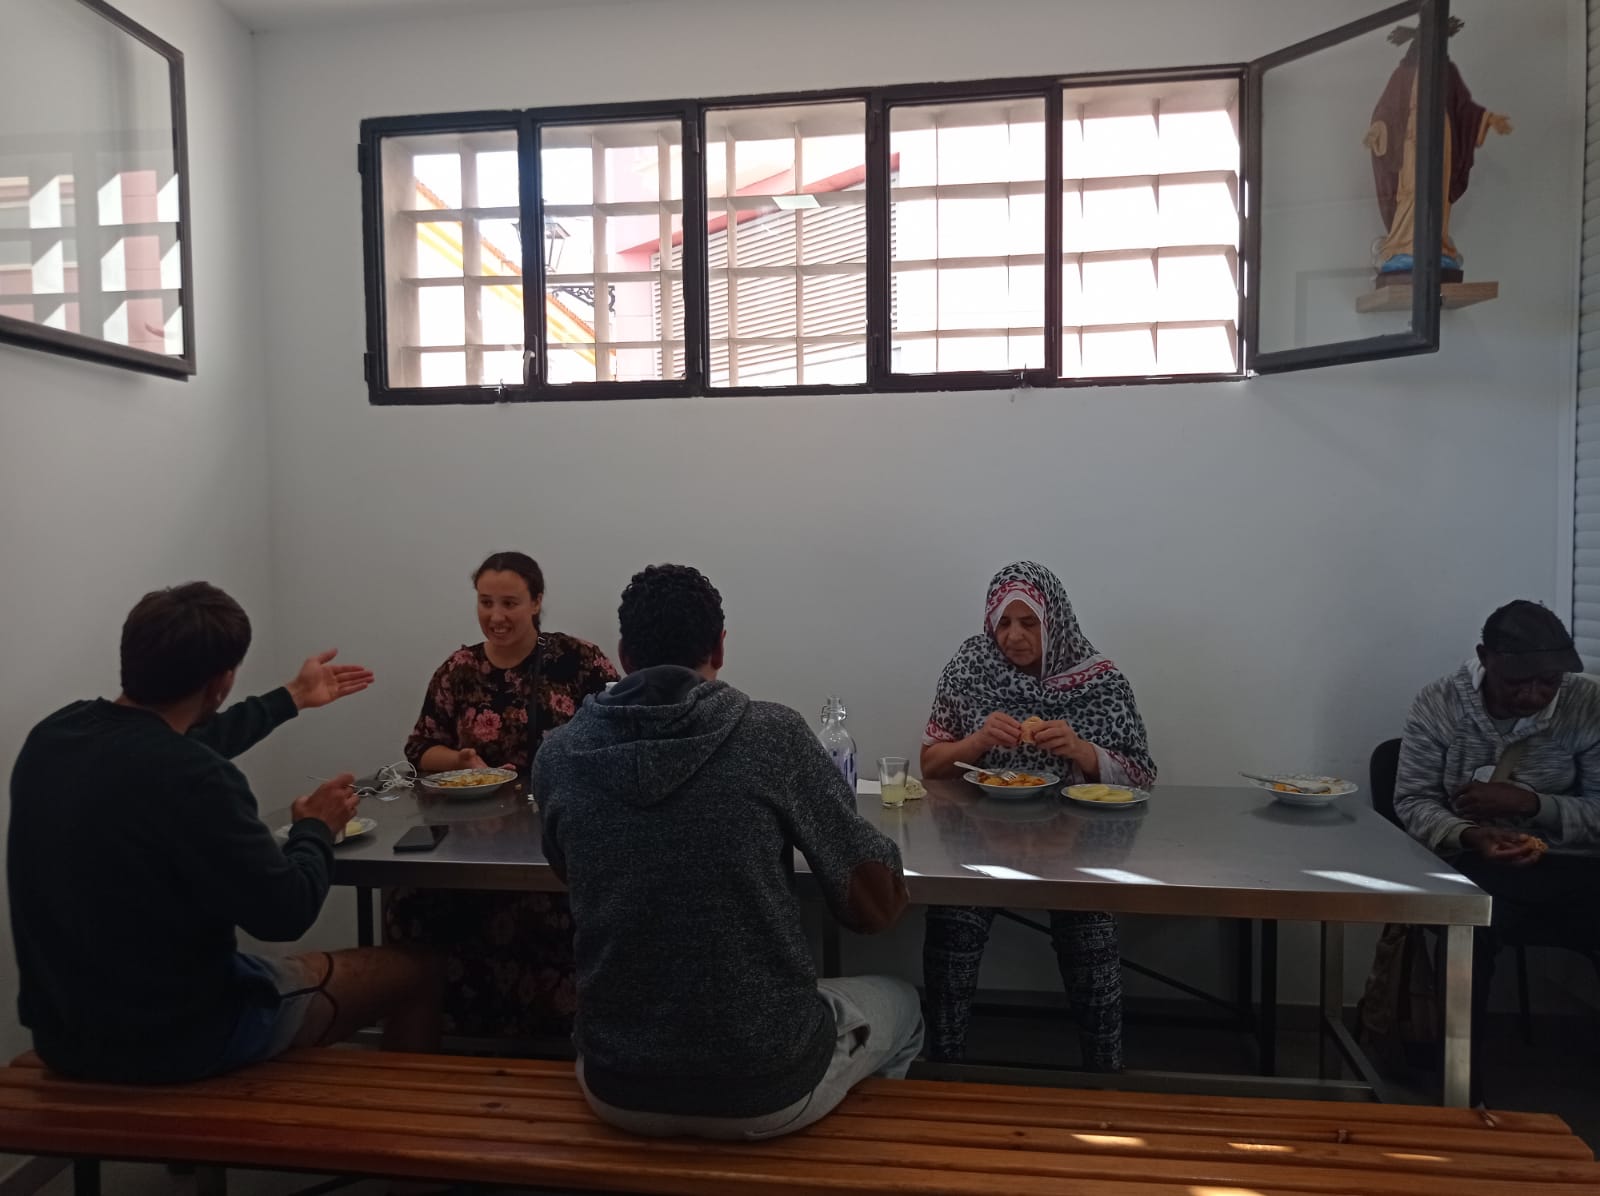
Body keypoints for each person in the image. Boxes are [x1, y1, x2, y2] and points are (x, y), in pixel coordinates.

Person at [533, 564, 923, 1140]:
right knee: (904, 1003)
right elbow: (873, 907)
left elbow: (571, 873)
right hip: (763, 1085)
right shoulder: (772, 735)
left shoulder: (560, 756)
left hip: (614, 1083)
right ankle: (856, 1162)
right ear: (720, 645)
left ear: (622, 652)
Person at [8, 582, 440, 1083]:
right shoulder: (198, 778)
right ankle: (399, 1153)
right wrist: (315, 829)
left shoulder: (54, 737)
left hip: (65, 1038)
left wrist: (292, 697)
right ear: (221, 683)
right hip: (180, 1040)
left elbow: (181, 741)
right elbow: (286, 911)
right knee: (418, 970)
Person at [920, 561, 1156, 1070]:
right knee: (952, 919)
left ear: (1055, 622)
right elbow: (932, 765)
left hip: (1076, 841)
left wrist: (1083, 751)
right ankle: (945, 1067)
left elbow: (1140, 774)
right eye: (1004, 623)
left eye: (1029, 623)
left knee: (1089, 928)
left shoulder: (1099, 679)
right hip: (981, 836)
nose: (1014, 637)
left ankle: (1104, 1071)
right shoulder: (970, 667)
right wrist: (979, 739)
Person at [389, 551, 617, 1040]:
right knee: (410, 902)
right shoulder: (459, 668)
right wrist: (459, 761)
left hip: (559, 827)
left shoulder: (578, 661)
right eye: (485, 602)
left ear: (536, 602)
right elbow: (419, 748)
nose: (496, 616)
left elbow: (622, 734)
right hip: (473, 830)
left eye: (510, 602)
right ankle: (446, 1044)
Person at [1393, 599, 1600, 1088]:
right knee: (1467, 923)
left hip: (1574, 865)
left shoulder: (1585, 705)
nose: (1533, 696)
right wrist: (1469, 834)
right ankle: (1462, 1086)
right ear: (1485, 658)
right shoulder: (1440, 703)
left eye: (1547, 683)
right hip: (1477, 863)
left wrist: (1531, 804)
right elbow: (1413, 801)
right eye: (1517, 683)